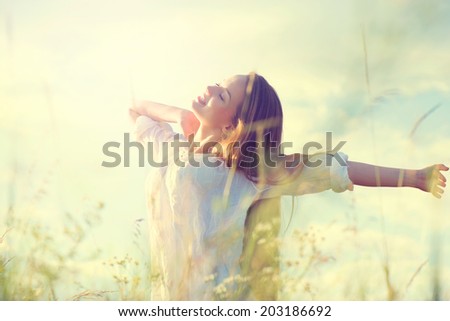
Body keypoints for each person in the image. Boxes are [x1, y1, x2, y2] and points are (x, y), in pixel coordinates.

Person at [129, 72, 448, 300]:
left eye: (222, 95)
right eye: (219, 83)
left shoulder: (244, 175)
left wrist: (414, 177)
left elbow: (335, 167)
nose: (210, 87)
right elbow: (137, 108)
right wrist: (182, 115)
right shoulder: (171, 148)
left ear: (231, 124)